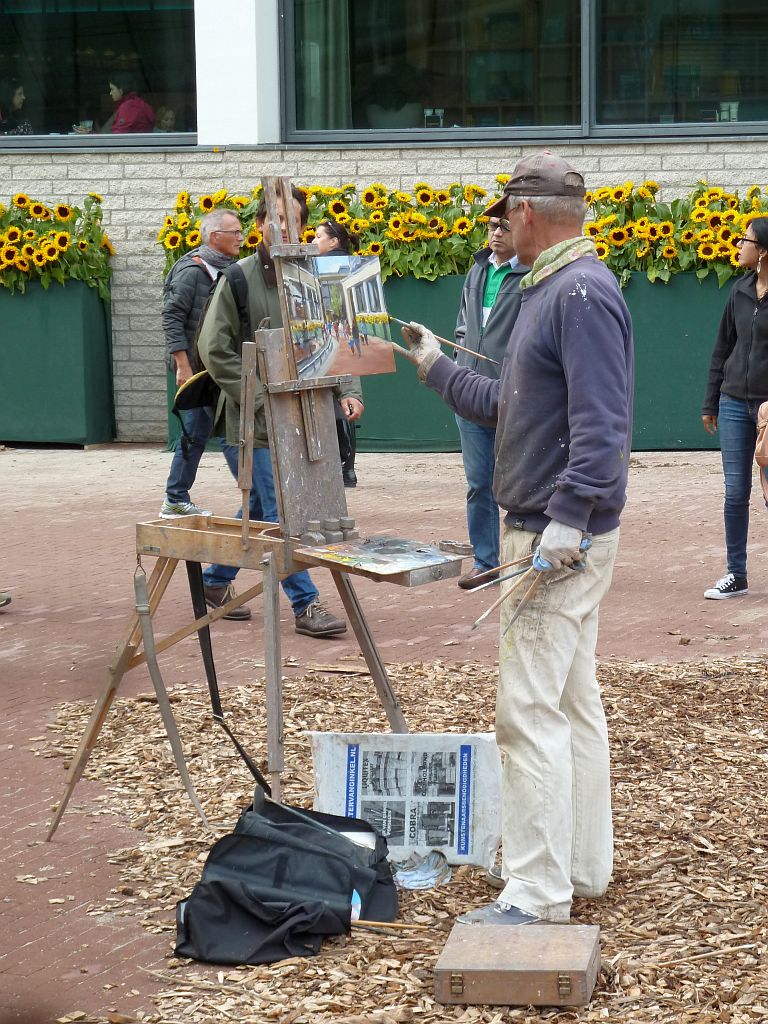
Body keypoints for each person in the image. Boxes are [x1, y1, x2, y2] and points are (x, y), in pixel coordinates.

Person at [394, 152, 633, 926]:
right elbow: (510, 402)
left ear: (527, 213)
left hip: (555, 536)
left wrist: (569, 517)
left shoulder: (580, 292)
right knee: (571, 699)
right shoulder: (555, 289)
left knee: (527, 713)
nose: (498, 225)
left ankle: (537, 891)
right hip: (555, 529)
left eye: (504, 213)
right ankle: (584, 867)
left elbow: (604, 427)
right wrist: (433, 365)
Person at [197, 186, 363, 638]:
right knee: (281, 512)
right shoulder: (237, 279)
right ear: (259, 226)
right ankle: (306, 604)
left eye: (294, 221)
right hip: (254, 425)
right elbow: (213, 348)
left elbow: (338, 335)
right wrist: (256, 397)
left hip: (308, 417)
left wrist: (349, 388)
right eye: (277, 220)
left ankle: (213, 582)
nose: (286, 229)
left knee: (257, 506)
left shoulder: (316, 276)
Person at [453, 207, 528, 590]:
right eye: (491, 226)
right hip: (469, 396)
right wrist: (457, 367)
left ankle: (521, 562)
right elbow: (463, 326)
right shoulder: (478, 270)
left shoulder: (529, 274)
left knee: (517, 483)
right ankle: (486, 562)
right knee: (478, 483)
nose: (496, 232)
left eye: (504, 226)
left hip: (511, 397)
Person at [159, 208, 245, 523]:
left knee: (213, 433)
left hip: (218, 368)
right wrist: (183, 366)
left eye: (241, 231)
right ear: (214, 237)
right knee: (209, 433)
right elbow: (171, 318)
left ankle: (177, 498)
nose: (240, 237)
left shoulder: (230, 268)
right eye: (234, 232)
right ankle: (176, 499)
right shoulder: (192, 271)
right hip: (197, 372)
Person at [701, 216, 768, 599]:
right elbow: (721, 348)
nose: (738, 245)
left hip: (767, 411)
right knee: (734, 490)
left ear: (762, 252)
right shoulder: (738, 292)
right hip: (731, 404)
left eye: (746, 240)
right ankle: (736, 575)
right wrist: (711, 400)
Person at [314, 220, 361, 487]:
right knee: (347, 399)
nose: (313, 241)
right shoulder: (352, 265)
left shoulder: (322, 268)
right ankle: (348, 467)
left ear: (334, 242)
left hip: (329, 336)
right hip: (348, 339)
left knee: (336, 401)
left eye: (319, 237)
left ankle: (343, 466)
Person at [73, 72, 154, 134]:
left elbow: (116, 138)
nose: (110, 93)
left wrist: (89, 135)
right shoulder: (136, 103)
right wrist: (90, 133)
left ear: (121, 90)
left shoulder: (129, 107)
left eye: (112, 89)